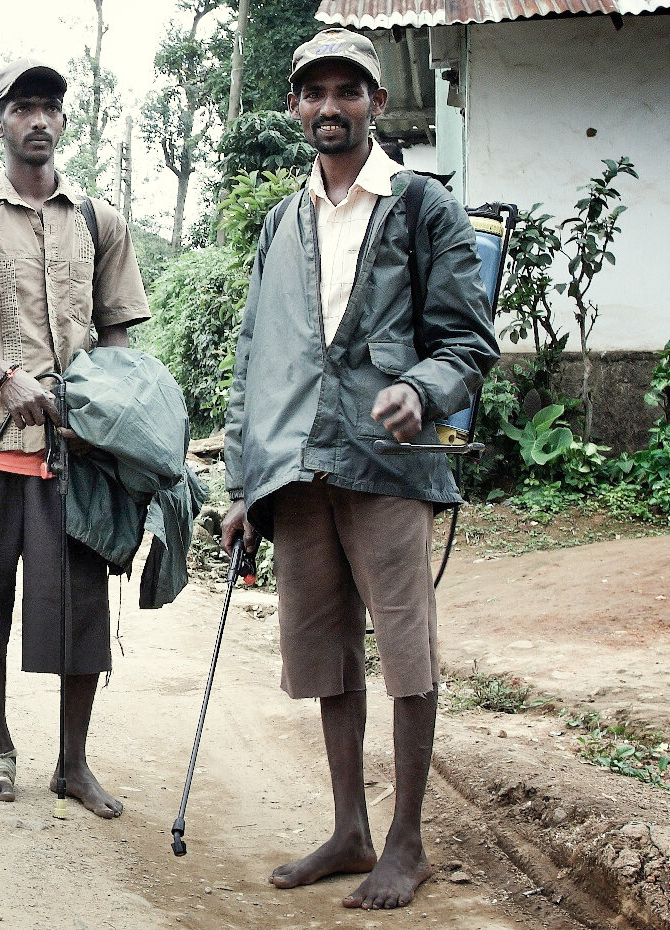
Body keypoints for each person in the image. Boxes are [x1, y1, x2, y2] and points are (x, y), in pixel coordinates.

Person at [221, 28, 499, 909]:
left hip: (389, 463)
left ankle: (406, 842)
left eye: (349, 91)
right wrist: (241, 484)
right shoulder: (280, 220)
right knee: (324, 655)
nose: (330, 106)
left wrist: (422, 387)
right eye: (315, 92)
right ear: (295, 106)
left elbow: (466, 341)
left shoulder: (421, 208)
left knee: (405, 654)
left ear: (377, 104)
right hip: (299, 472)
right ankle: (348, 829)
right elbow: (253, 356)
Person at [0, 59, 150, 819]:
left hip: (72, 451)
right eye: (23, 107)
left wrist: (122, 417)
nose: (38, 120)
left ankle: (73, 764)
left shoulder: (98, 220)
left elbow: (115, 333)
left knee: (77, 606)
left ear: (63, 122)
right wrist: (5, 378)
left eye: (49, 107)